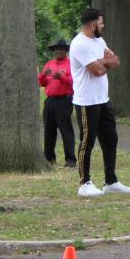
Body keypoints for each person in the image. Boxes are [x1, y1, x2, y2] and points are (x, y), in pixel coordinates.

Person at [69, 8, 130, 197]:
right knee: (87, 141)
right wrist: (104, 62)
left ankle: (110, 181)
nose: (103, 26)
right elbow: (97, 71)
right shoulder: (79, 44)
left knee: (111, 138)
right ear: (92, 24)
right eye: (101, 23)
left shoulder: (99, 40)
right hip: (86, 102)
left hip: (103, 100)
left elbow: (116, 61)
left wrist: (102, 62)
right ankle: (84, 184)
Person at [38, 39, 77, 168]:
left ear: (66, 51)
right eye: (56, 49)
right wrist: (43, 74)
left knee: (66, 130)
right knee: (49, 130)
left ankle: (70, 160)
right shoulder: (49, 63)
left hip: (64, 100)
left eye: (61, 49)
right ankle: (49, 158)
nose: (58, 51)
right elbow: (41, 83)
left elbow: (74, 81)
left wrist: (62, 77)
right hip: (50, 101)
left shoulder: (70, 64)